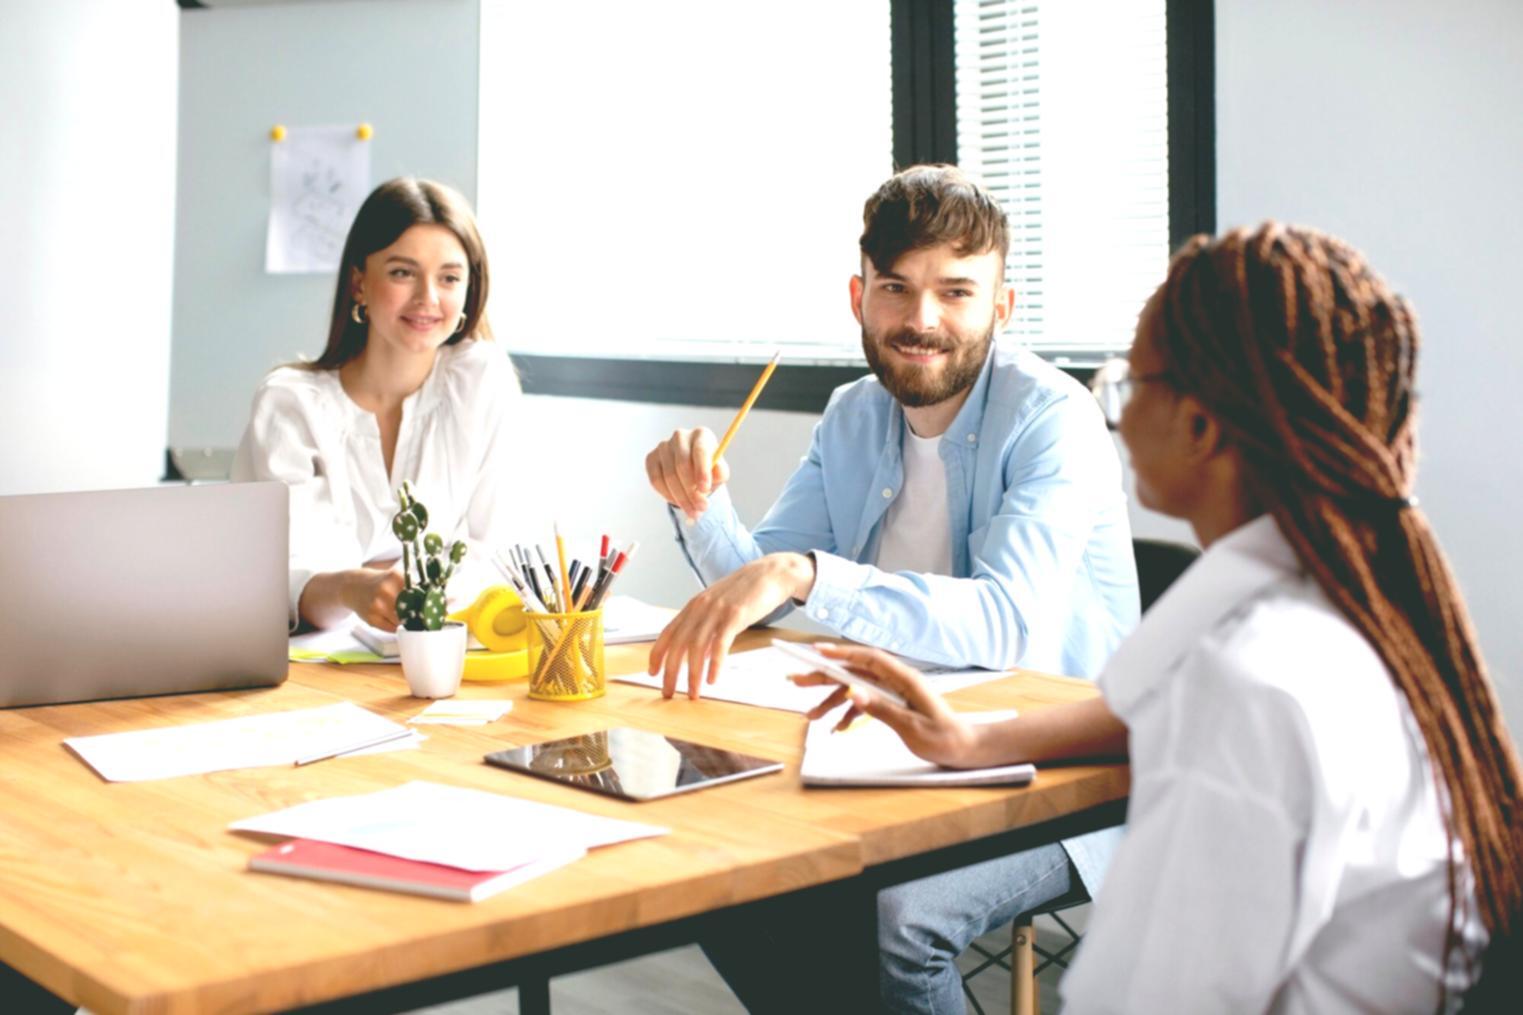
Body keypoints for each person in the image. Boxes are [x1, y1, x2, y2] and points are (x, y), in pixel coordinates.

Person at [802, 223, 1523, 1012]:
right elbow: (1139, 707)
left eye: (1129, 383)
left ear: (1200, 426)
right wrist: (974, 739)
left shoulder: (1251, 685)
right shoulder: (1330, 600)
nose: (1113, 412)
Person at [658, 166, 1138, 1012]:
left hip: (1065, 769)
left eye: (956, 291)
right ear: (859, 296)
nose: (921, 319)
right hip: (891, 745)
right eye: (897, 288)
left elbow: (1007, 623)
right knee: (707, 850)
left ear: (1001, 306)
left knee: (896, 916)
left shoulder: (1051, 417)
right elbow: (761, 587)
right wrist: (703, 510)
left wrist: (806, 572)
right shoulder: (852, 413)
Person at [232, 177, 519, 631]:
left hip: (451, 652)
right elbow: (279, 580)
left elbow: (495, 553)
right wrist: (350, 588)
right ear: (359, 283)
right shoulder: (290, 404)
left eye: (449, 278)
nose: (428, 298)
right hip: (313, 671)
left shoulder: (481, 379)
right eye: (402, 272)